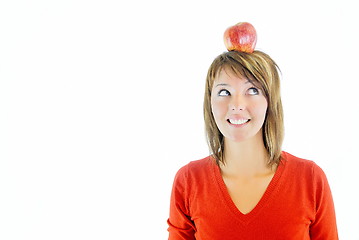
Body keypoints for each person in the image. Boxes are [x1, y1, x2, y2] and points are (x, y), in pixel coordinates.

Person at [167, 50, 338, 239]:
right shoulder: (189, 180)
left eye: (253, 90)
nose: (237, 104)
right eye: (224, 92)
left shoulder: (310, 179)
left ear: (270, 101)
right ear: (210, 102)